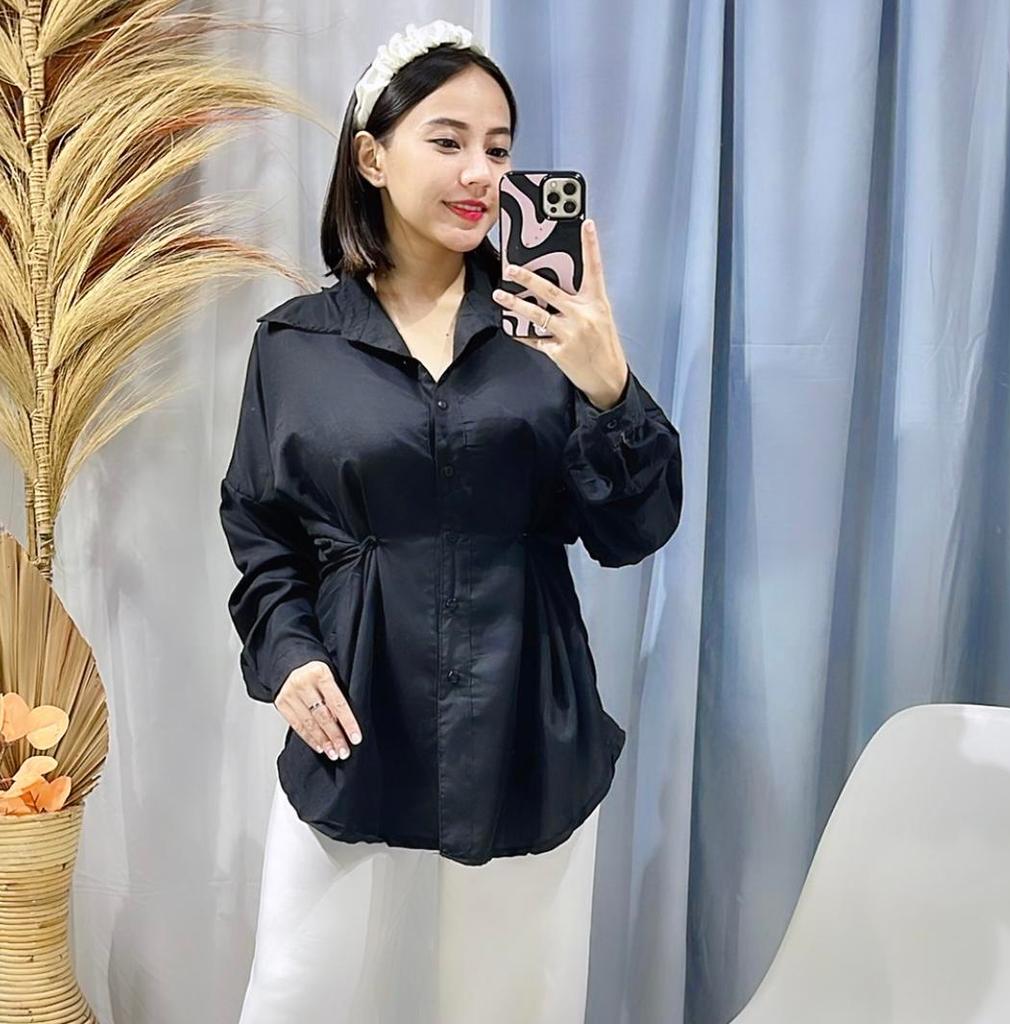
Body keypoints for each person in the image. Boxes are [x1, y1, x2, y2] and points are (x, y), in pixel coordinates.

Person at [219, 20, 683, 1024]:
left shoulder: (551, 336)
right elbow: (261, 531)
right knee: (296, 994)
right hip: (353, 716)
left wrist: (610, 391)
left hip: (523, 719)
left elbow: (633, 532)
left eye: (499, 147)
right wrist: (288, 655)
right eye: (448, 140)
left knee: (510, 1004)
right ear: (372, 157)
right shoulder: (294, 345)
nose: (481, 172)